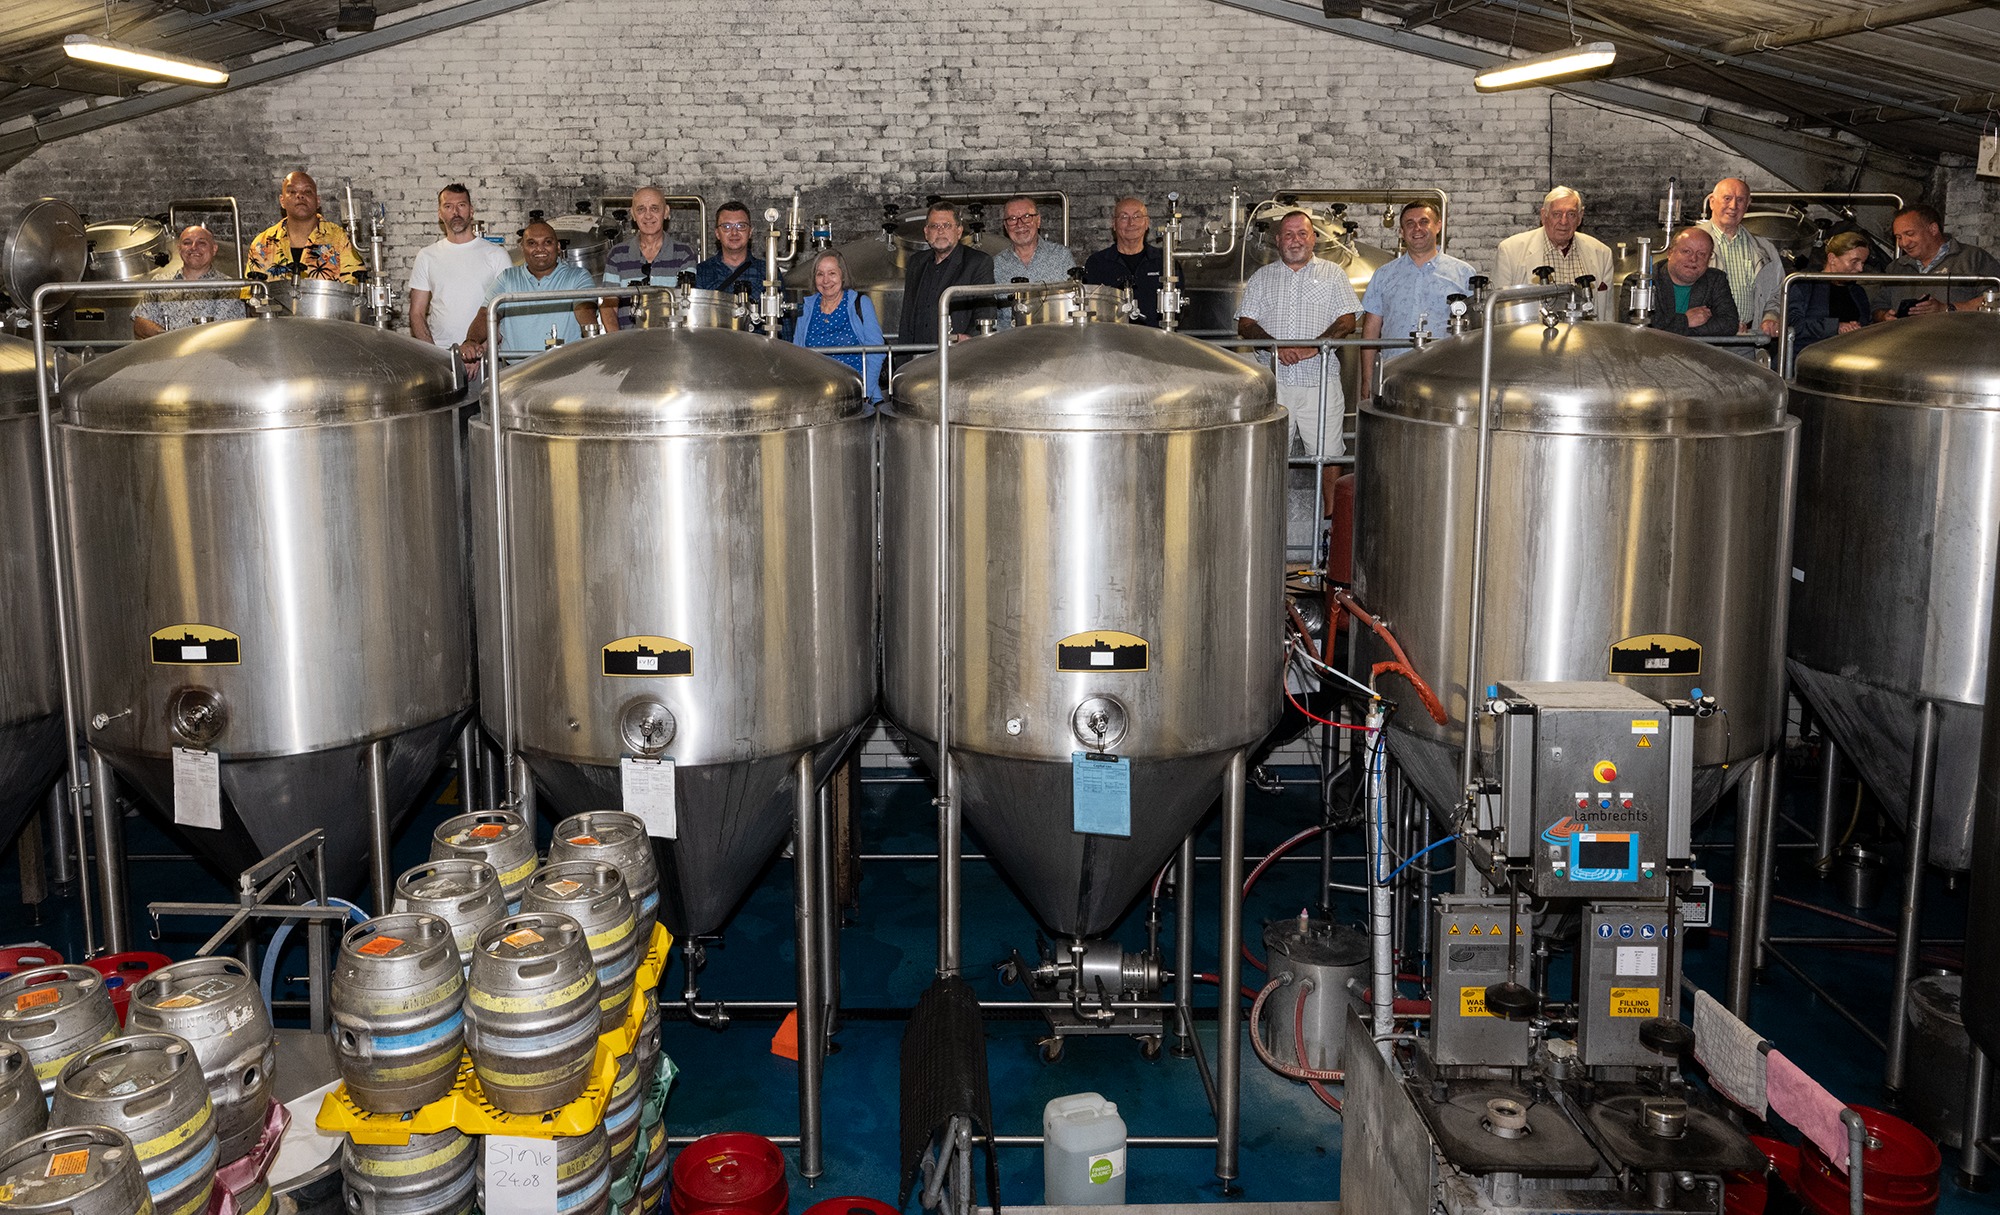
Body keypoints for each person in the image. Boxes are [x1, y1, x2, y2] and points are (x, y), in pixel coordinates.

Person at [1236, 210, 1362, 459]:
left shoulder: (1334, 274)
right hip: (1273, 384)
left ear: (1313, 238)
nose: (1295, 240)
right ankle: (1271, 500)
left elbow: (1347, 320)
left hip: (1320, 381)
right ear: (1278, 241)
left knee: (1328, 456)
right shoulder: (1262, 277)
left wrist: (1314, 347)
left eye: (1302, 233)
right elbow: (1245, 324)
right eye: (1288, 235)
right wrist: (1276, 347)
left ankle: (1329, 501)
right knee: (1269, 457)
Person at [1358, 202, 1475, 397]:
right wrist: (1367, 379)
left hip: (1446, 378)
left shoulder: (1463, 274)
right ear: (1401, 232)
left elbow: (1475, 332)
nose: (1417, 228)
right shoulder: (1384, 275)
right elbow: (1371, 330)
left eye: (1424, 222)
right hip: (1393, 376)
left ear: (1438, 226)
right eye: (1410, 224)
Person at [462, 220, 603, 360]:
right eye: (532, 243)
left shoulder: (578, 277)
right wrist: (471, 341)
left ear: (558, 246)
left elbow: (585, 311)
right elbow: (486, 314)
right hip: (517, 372)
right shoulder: (507, 278)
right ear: (522, 247)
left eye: (547, 242)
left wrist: (592, 339)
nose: (540, 249)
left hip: (564, 369)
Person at [408, 183, 514, 361]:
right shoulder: (426, 256)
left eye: (461, 205)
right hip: (441, 356)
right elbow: (416, 313)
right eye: (448, 207)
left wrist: (478, 353)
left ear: (471, 211)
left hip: (485, 358)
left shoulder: (496, 254)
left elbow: (505, 311)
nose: (455, 212)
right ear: (440, 214)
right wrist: (437, 358)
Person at [1870, 204, 2000, 320]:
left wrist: (1946, 308)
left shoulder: (1973, 258)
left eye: (1909, 234)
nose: (1904, 243)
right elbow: (1878, 307)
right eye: (1898, 237)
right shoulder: (1895, 268)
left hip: (1959, 343)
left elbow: (1995, 300)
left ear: (1933, 229)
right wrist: (1885, 316)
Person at [791, 249, 885, 403]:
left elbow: (877, 351)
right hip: (816, 395)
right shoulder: (807, 307)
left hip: (856, 394)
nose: (825, 281)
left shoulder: (860, 303)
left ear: (843, 276)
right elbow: (797, 355)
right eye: (820, 274)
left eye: (832, 273)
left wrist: (865, 393)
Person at [897, 202, 994, 347]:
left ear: (959, 231)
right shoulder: (916, 262)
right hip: (917, 360)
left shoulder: (978, 262)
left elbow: (985, 312)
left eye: (947, 225)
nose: (940, 231)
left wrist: (969, 340)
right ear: (926, 232)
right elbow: (907, 316)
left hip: (957, 358)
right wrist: (902, 359)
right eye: (934, 226)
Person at [603, 186, 698, 330]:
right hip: (628, 345)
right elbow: (608, 306)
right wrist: (617, 343)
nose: (648, 216)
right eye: (641, 209)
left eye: (654, 209)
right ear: (633, 214)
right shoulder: (617, 255)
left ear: (666, 212)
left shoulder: (684, 254)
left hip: (670, 342)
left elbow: (685, 305)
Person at [1697, 178, 1783, 336]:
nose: (1733, 206)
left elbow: (1778, 293)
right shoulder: (1691, 245)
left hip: (1749, 341)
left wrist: (1770, 317)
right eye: (1727, 198)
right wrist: (1722, 324)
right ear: (1711, 202)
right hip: (1705, 340)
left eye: (1740, 200)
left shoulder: (1765, 249)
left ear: (1748, 204)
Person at [244, 171, 363, 283]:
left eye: (307, 192)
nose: (300, 196)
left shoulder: (339, 239)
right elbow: (251, 293)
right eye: (292, 192)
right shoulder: (263, 243)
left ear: (317, 201)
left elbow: (355, 287)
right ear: (282, 201)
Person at [132, 225, 245, 338]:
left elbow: (226, 333)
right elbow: (140, 325)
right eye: (187, 243)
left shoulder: (228, 287)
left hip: (207, 354)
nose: (194, 247)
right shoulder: (160, 282)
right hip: (165, 354)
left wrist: (171, 339)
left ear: (214, 249)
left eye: (202, 243)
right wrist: (169, 339)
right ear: (179, 248)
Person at [1493, 186, 1613, 290]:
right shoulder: (1510, 252)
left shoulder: (1602, 254)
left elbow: (1606, 313)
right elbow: (1497, 309)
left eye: (1571, 214)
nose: (1564, 221)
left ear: (1580, 217)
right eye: (1557, 214)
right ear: (1544, 216)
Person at [991, 195, 1075, 329]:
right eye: (1012, 219)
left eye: (1026, 217)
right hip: (1010, 344)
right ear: (1005, 226)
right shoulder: (996, 265)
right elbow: (993, 317)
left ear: (1038, 220)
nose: (1020, 224)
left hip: (1055, 339)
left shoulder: (1061, 257)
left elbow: (1073, 307)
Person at [1082, 197, 1164, 326]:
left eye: (1137, 216)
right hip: (1111, 341)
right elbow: (1090, 309)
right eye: (1124, 217)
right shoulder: (1097, 263)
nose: (1131, 223)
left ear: (1147, 223)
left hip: (1156, 341)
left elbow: (1177, 311)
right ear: (1113, 224)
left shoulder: (1164, 262)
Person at [1786, 231, 1874, 350]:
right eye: (1854, 262)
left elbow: (1866, 323)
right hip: (1807, 356)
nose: (1860, 269)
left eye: (1863, 263)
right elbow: (1793, 324)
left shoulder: (1858, 292)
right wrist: (1835, 327)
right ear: (1832, 258)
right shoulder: (1804, 284)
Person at [1648, 227, 1737, 337]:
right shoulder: (1644, 281)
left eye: (1701, 254)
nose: (1693, 259)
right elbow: (1638, 326)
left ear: (1709, 259)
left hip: (1696, 353)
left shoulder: (1715, 280)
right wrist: (1685, 321)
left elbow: (1729, 325)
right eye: (1686, 251)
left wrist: (1672, 327)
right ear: (1670, 253)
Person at [692, 201, 768, 295]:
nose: (734, 232)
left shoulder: (767, 272)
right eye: (726, 226)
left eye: (741, 226)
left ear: (750, 232)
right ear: (717, 233)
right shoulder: (701, 272)